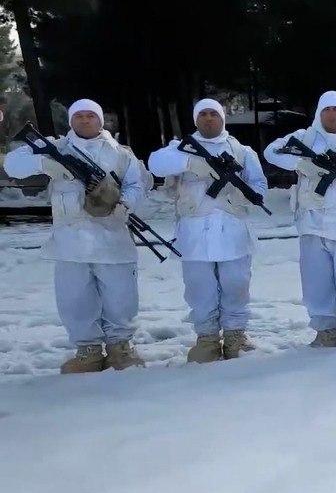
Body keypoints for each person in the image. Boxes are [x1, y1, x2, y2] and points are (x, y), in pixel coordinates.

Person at [3, 99, 146, 372]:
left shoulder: (120, 153)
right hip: (70, 241)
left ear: (100, 120)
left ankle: (120, 348)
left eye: (90, 116)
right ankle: (88, 351)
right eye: (78, 116)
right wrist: (46, 164)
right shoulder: (57, 148)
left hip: (112, 238)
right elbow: (13, 165)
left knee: (120, 296)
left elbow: (136, 186)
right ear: (71, 121)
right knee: (75, 298)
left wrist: (125, 206)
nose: (84, 120)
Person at [147, 98, 268, 362]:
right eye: (203, 114)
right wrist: (191, 164)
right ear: (195, 119)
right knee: (200, 288)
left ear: (222, 118)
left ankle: (236, 334)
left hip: (233, 230)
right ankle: (207, 338)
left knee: (236, 283)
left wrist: (245, 193)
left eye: (214, 113)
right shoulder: (180, 149)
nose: (209, 118)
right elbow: (156, 163)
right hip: (194, 232)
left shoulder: (242, 151)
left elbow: (259, 186)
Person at [264, 90, 336, 348]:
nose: (331, 114)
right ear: (320, 112)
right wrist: (302, 164)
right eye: (327, 109)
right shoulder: (305, 137)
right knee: (317, 278)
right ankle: (325, 331)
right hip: (314, 220)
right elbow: (272, 152)